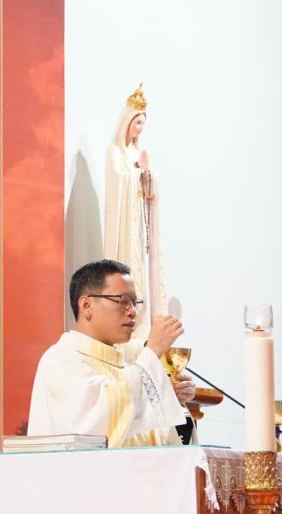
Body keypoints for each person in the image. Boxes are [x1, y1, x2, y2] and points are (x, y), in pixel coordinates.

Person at [28, 259, 195, 447]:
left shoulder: (127, 367)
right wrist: (153, 350)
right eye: (123, 301)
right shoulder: (60, 360)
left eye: (135, 303)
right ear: (86, 306)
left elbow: (147, 433)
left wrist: (168, 397)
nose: (133, 312)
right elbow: (97, 420)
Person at [104, 83, 166, 340]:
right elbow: (118, 182)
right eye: (137, 122)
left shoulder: (135, 153)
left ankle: (144, 326)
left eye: (143, 124)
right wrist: (137, 172)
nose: (140, 128)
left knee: (143, 268)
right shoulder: (115, 153)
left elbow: (148, 190)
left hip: (139, 224)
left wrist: (147, 174)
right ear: (127, 122)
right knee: (129, 267)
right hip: (125, 226)